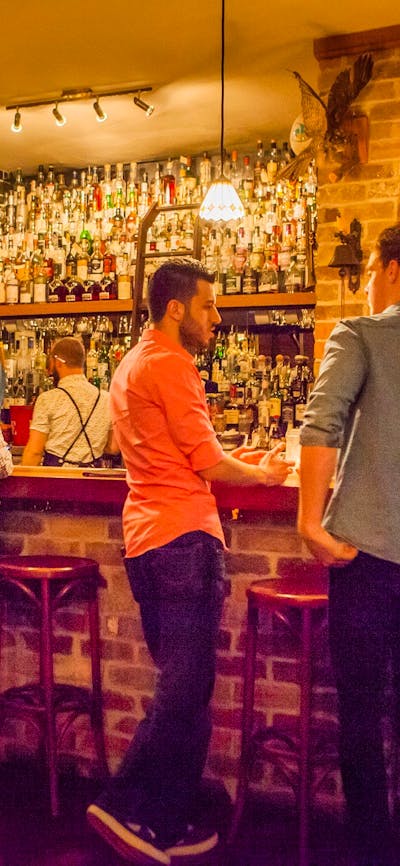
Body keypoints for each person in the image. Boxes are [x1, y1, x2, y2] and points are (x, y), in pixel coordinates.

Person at [87, 257, 293, 866]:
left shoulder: (132, 363)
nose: (217, 317)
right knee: (184, 689)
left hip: (147, 540)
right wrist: (258, 472)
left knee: (188, 685)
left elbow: (185, 452)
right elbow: (206, 467)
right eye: (208, 306)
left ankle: (165, 822)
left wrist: (240, 457)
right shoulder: (173, 364)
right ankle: (125, 805)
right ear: (176, 308)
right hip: (182, 541)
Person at [297, 223, 400, 866]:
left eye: (367, 269)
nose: (364, 284)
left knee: (361, 711)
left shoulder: (363, 334)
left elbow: (321, 419)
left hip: (367, 555)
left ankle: (371, 849)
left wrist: (311, 521)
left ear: (392, 270)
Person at [21, 336, 118, 467]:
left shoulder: (48, 399)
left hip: (58, 480)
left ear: (58, 362)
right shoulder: (106, 399)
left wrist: (24, 482)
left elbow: (34, 452)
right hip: (92, 480)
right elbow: (113, 447)